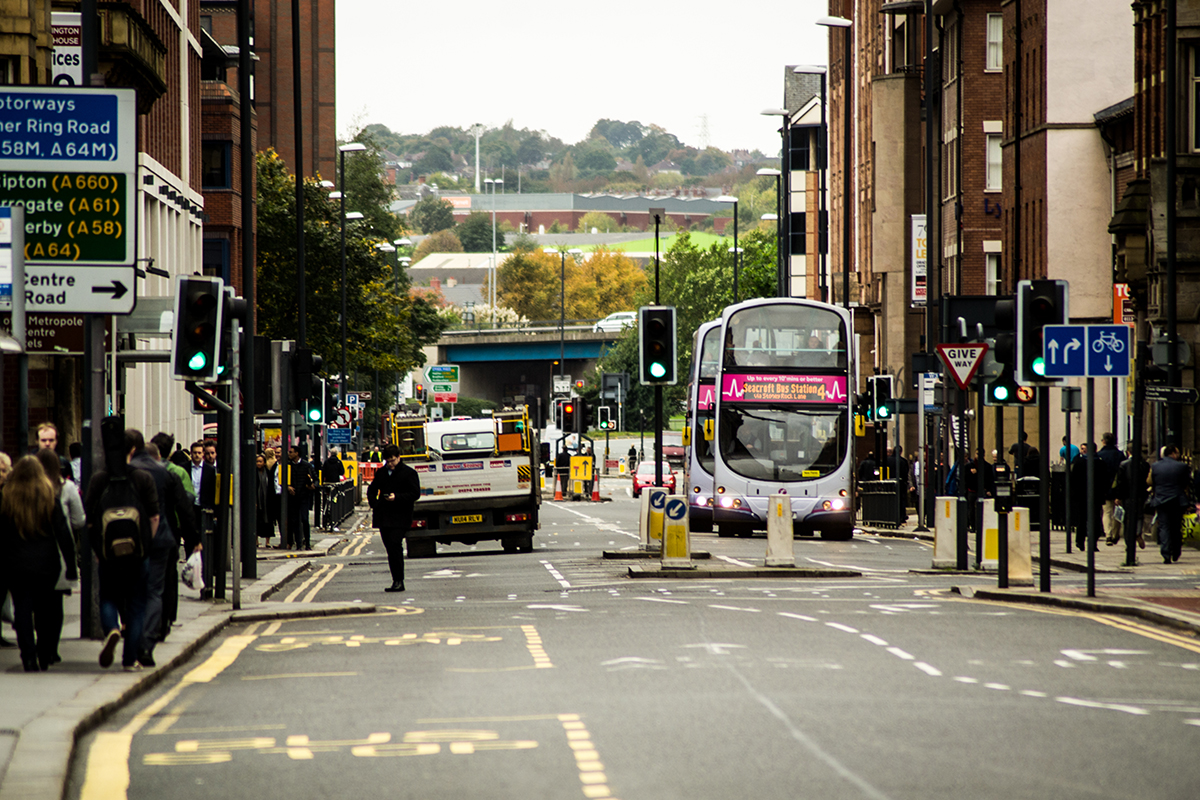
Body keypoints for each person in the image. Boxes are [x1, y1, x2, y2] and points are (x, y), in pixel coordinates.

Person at [84, 429, 161, 671]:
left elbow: (90, 520)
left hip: (108, 554)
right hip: (138, 554)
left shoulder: (98, 479)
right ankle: (129, 661)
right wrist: (146, 546)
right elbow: (154, 517)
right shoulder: (142, 478)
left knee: (108, 596)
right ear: (131, 451)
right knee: (137, 605)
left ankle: (112, 630)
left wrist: (98, 549)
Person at [0, 456, 76, 671]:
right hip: (46, 563)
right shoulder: (48, 495)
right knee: (45, 610)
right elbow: (63, 532)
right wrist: (70, 565)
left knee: (22, 610)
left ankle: (28, 656)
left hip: (15, 564)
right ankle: (44, 652)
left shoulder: (7, 496)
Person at [130, 436, 196, 666]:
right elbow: (184, 505)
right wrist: (193, 540)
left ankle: (130, 639)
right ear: (160, 456)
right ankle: (149, 640)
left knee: (133, 591)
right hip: (162, 538)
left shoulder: (124, 472)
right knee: (155, 591)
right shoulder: (168, 474)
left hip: (129, 541)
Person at [367, 444, 421, 592]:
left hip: (401, 516)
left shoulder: (409, 473)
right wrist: (375, 504)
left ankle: (399, 581)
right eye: (387, 461)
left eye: (392, 460)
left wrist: (397, 497)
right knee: (390, 549)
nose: (390, 464)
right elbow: (372, 490)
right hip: (384, 516)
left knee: (395, 544)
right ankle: (395, 580)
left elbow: (415, 493)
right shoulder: (381, 473)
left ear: (399, 457)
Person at [1149, 444, 1191, 564]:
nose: (1178, 455)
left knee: (1164, 526)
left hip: (1161, 500)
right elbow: (1185, 483)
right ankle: (1176, 551)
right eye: (1177, 453)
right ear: (1172, 453)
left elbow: (1154, 483)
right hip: (1177, 500)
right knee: (1176, 526)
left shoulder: (1155, 466)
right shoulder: (1182, 466)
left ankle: (1165, 553)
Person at [1112, 445, 1149, 550]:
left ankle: (1129, 543)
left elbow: (1120, 482)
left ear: (1128, 452)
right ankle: (1137, 532)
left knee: (1127, 518)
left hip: (1127, 496)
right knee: (1139, 515)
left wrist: (1118, 497)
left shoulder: (1124, 464)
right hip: (1141, 495)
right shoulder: (1145, 464)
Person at [285, 446, 315, 549]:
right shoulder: (288, 466)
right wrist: (288, 486)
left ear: (297, 453)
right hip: (293, 497)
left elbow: (316, 479)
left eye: (291, 452)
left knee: (304, 519)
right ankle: (298, 544)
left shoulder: (307, 465)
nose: (289, 454)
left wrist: (312, 486)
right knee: (295, 521)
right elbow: (282, 480)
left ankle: (307, 543)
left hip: (304, 497)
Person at [1097, 433, 1124, 545]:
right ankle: (1115, 534)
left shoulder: (1099, 455)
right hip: (1118, 487)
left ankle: (1108, 534)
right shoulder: (1119, 455)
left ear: (1103, 441)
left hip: (1104, 488)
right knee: (1117, 511)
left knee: (1107, 512)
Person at [189, 440, 216, 538]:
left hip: (204, 507)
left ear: (202, 454)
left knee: (202, 535)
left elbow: (212, 491)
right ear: (191, 453)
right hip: (190, 507)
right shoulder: (185, 468)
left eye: (199, 453)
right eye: (195, 453)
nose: (197, 455)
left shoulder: (210, 470)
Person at [255, 454, 276, 544]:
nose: (258, 463)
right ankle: (256, 540)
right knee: (256, 520)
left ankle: (267, 541)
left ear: (264, 463)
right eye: (257, 461)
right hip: (258, 500)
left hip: (267, 500)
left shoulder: (268, 473)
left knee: (268, 521)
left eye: (260, 461)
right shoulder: (253, 473)